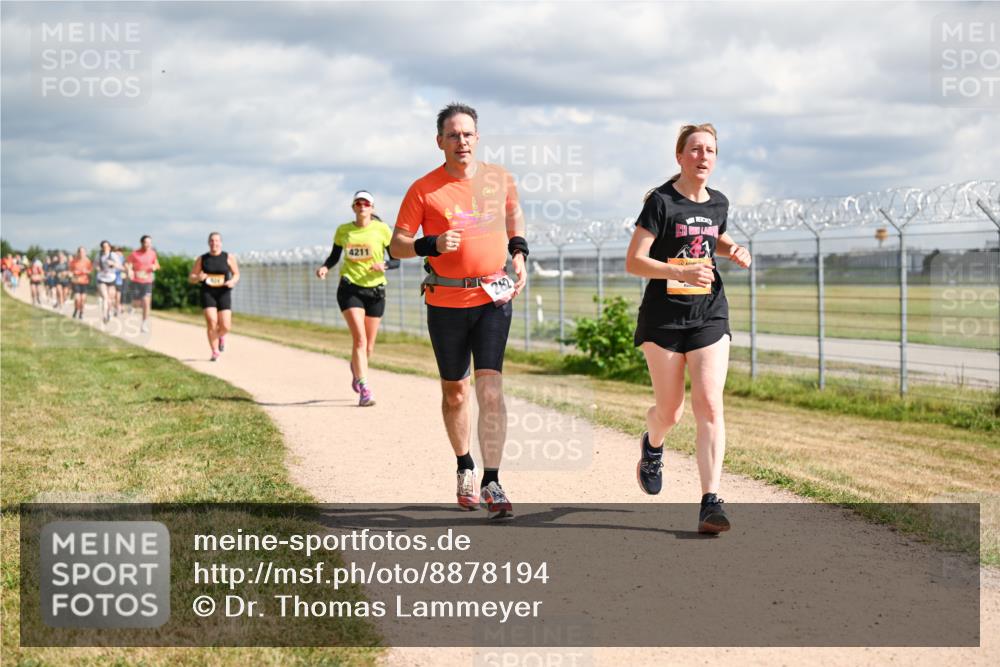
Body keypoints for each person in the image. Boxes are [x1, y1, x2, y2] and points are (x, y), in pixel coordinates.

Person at [390, 103, 527, 519]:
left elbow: (514, 215)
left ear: (477, 138)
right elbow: (396, 245)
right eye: (453, 135)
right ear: (440, 142)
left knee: (490, 390)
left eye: (467, 134)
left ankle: (492, 480)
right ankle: (464, 466)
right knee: (456, 392)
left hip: (492, 298)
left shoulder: (499, 179)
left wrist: (518, 253)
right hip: (445, 302)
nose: (461, 141)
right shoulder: (423, 189)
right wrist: (429, 244)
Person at [624, 123, 752, 534]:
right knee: (671, 412)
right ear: (680, 156)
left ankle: (711, 501)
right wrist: (676, 270)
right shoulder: (661, 202)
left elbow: (714, 235)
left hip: (709, 313)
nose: (703, 157)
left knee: (710, 405)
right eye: (695, 150)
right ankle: (653, 444)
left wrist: (732, 248)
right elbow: (635, 261)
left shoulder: (719, 202)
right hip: (664, 317)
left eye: (710, 150)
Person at [316, 190, 399, 406]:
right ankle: (364, 388)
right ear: (353, 207)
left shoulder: (382, 230)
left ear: (372, 208)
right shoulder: (344, 231)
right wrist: (325, 267)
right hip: (350, 289)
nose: (362, 206)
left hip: (376, 291)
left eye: (366, 203)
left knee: (369, 346)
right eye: (358, 203)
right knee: (360, 339)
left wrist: (386, 265)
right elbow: (334, 256)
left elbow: (397, 260)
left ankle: (356, 371)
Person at [189, 232, 240, 361]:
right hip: (208, 292)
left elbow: (236, 274)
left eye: (217, 241)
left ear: (221, 243)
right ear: (208, 243)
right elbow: (191, 277)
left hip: (223, 292)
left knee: (226, 326)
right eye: (212, 241)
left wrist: (232, 281)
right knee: (212, 322)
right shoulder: (202, 259)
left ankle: (221, 336)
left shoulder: (228, 257)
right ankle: (215, 351)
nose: (214, 243)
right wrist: (198, 277)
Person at [126, 235, 160, 332]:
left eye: (150, 242)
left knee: (146, 302)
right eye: (146, 242)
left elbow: (157, 264)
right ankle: (133, 306)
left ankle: (144, 324)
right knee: (137, 302)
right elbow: (128, 263)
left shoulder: (153, 253)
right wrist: (129, 271)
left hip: (147, 281)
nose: (148, 244)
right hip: (136, 281)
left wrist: (154, 267)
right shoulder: (135, 254)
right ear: (142, 243)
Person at [95, 240, 121, 323]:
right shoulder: (99, 255)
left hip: (111, 279)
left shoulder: (113, 255)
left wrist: (113, 264)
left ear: (109, 247)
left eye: (107, 246)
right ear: (102, 247)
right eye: (103, 246)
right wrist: (98, 267)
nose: (105, 248)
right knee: (105, 297)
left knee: (110, 299)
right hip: (101, 279)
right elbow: (95, 264)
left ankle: (109, 312)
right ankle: (104, 315)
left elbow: (119, 266)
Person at [69, 246, 93, 319]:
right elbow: (70, 271)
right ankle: (76, 309)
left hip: (85, 282)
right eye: (80, 252)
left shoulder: (88, 261)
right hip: (76, 281)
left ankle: (81, 313)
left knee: (82, 299)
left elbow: (91, 271)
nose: (82, 253)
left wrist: (87, 272)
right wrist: (73, 273)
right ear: (78, 252)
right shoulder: (74, 261)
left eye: (83, 252)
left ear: (85, 253)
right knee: (77, 299)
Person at [112, 245, 126, 317]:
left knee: (118, 296)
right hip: (111, 279)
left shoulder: (123, 258)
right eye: (116, 251)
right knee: (113, 296)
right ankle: (115, 308)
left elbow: (125, 268)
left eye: (119, 251)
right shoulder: (111, 257)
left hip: (119, 280)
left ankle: (117, 308)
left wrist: (122, 269)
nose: (118, 252)